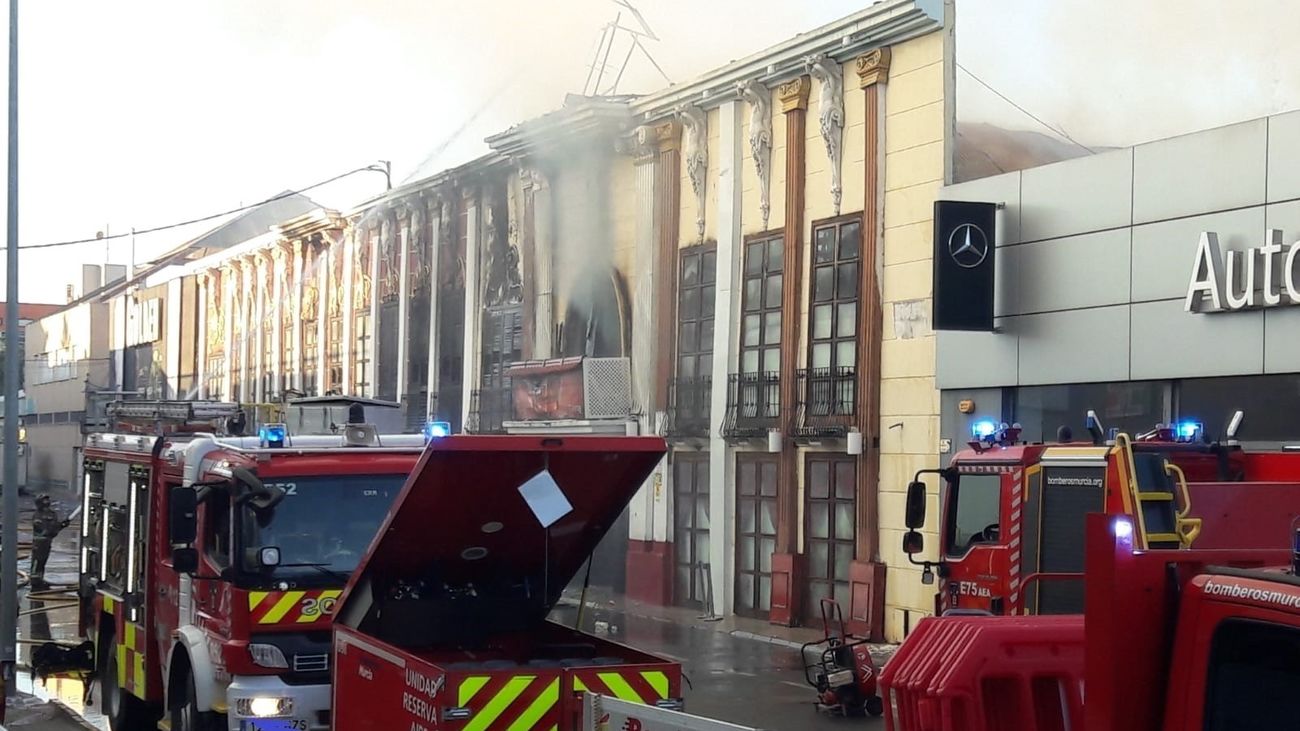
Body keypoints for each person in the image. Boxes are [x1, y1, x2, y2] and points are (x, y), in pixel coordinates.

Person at [30, 495, 69, 583]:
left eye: (47, 500)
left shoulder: (52, 514)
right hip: (39, 542)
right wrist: (56, 527)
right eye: (44, 500)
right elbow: (43, 529)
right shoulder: (37, 515)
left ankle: (40, 578)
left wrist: (62, 525)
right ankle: (34, 580)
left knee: (43, 561)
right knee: (37, 561)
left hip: (47, 542)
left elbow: (55, 528)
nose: (47, 502)